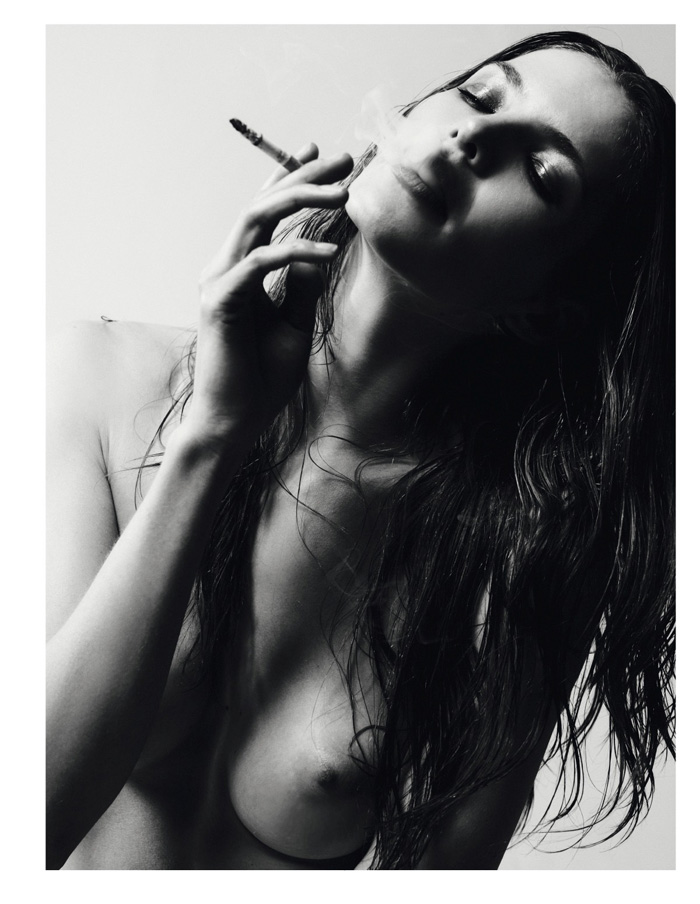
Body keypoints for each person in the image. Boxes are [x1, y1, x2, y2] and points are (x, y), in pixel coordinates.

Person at [46, 30, 675, 869]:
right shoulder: (99, 373)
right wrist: (211, 437)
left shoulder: (507, 563)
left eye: (541, 172)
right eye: (480, 95)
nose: (472, 136)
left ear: (547, 309)